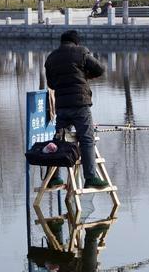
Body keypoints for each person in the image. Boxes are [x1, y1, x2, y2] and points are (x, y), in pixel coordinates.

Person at [45, 30, 108, 189]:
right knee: (87, 139)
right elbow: (100, 69)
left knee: (59, 140)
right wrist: (85, 74)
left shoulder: (51, 58)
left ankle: (54, 178)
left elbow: (51, 84)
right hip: (80, 104)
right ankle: (91, 178)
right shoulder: (82, 52)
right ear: (76, 42)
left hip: (62, 106)